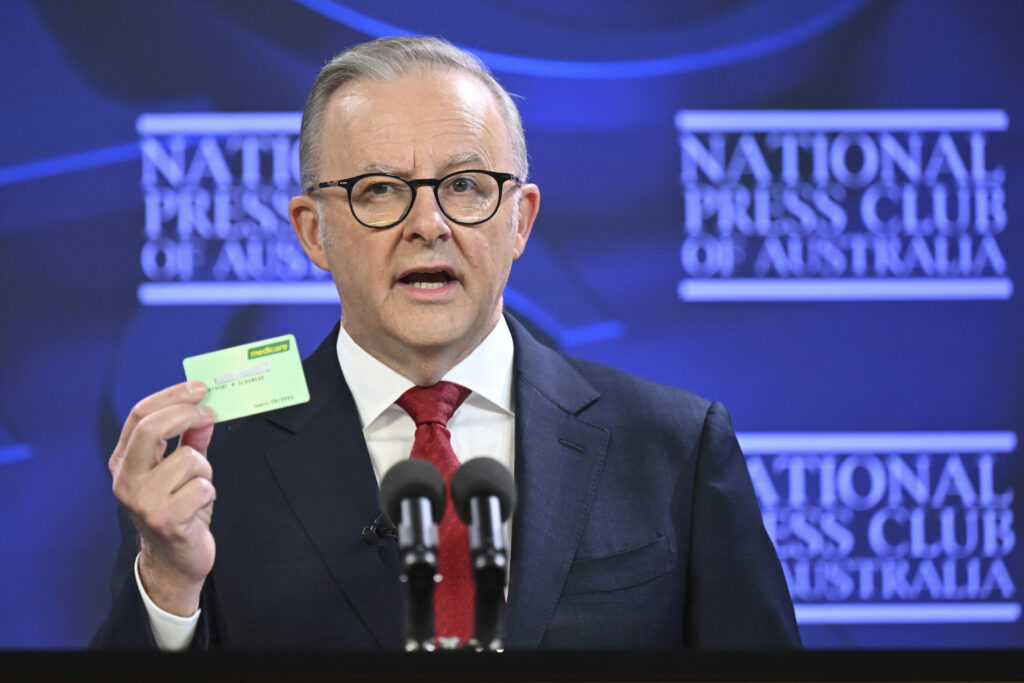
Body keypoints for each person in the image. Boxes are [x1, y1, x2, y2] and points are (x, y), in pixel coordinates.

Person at [93, 36, 800, 650]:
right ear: (314, 232)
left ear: (519, 221)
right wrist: (166, 585)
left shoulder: (675, 446)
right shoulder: (217, 465)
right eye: (378, 189)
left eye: (464, 185)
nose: (428, 222)